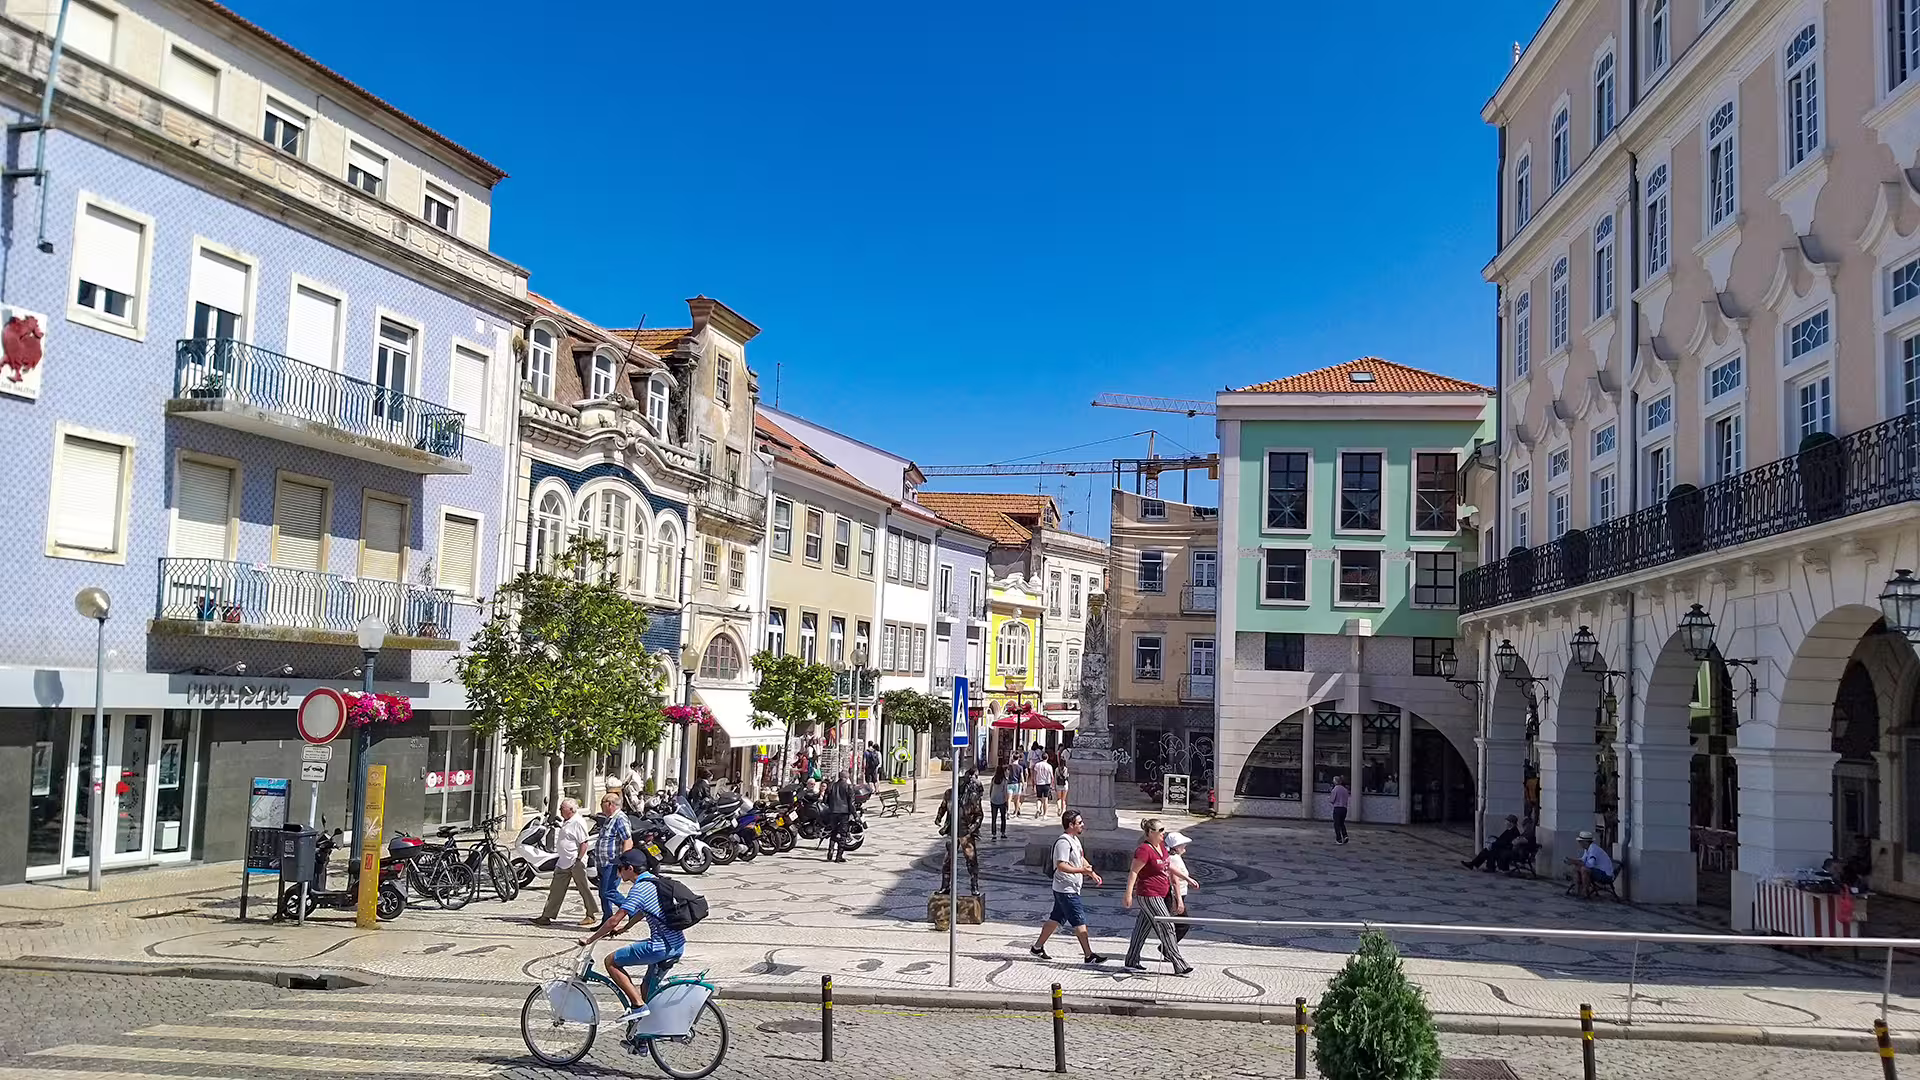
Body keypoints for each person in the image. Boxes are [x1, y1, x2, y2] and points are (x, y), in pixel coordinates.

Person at [576, 848, 685, 1023]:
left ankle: (637, 1006)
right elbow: (642, 912)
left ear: (630, 869)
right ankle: (642, 1038)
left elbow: (613, 920)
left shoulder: (640, 889)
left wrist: (589, 940)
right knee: (646, 990)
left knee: (610, 961)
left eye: (620, 868)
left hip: (659, 947)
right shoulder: (655, 882)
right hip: (677, 944)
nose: (617, 872)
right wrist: (626, 927)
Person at [1030, 810, 1106, 964]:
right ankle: (1089, 955)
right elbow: (1061, 865)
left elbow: (1080, 858)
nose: (1083, 825)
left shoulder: (1074, 840)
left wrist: (1091, 872)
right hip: (1066, 889)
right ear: (1070, 825)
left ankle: (1037, 947)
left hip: (1068, 888)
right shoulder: (1063, 842)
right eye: (1079, 822)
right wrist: (1082, 871)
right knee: (1079, 922)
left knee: (1055, 918)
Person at [1122, 818, 1191, 975]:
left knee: (1142, 928)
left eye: (1163, 830)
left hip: (1162, 892)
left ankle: (1131, 960)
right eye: (1160, 830)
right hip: (1149, 894)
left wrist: (1186, 879)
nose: (1163, 833)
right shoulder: (1143, 850)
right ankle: (1179, 963)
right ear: (1151, 832)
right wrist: (1128, 893)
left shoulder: (1161, 847)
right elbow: (1134, 872)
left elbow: (1168, 866)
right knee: (1167, 926)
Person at [534, 798, 599, 927]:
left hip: (575, 861)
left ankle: (591, 914)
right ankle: (546, 915)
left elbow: (584, 843)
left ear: (571, 810)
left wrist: (579, 860)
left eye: (562, 809)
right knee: (556, 889)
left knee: (583, 888)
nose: (560, 811)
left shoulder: (577, 822)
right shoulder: (567, 821)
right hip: (563, 861)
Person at [594, 792, 634, 920]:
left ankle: (633, 910)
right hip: (603, 862)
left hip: (612, 863)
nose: (601, 806)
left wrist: (623, 863)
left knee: (608, 892)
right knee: (603, 893)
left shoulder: (620, 818)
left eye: (602, 803)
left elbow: (627, 840)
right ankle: (606, 921)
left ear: (610, 804)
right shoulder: (609, 818)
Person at [1165, 831, 1200, 943]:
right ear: (1176, 846)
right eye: (1182, 844)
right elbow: (1174, 881)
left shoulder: (1175, 857)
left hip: (1178, 894)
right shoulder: (1173, 859)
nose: (1185, 846)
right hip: (1175, 895)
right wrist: (1179, 901)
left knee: (1176, 924)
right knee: (1182, 925)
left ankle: (1168, 949)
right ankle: (1167, 949)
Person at [1568, 829, 1615, 897]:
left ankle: (1585, 891)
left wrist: (1575, 862)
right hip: (1599, 872)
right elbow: (1583, 860)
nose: (1579, 843)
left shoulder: (1593, 849)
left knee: (1584, 869)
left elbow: (1590, 865)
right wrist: (1574, 861)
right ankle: (1577, 889)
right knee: (1577, 868)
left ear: (1586, 842)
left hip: (1605, 875)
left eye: (1580, 841)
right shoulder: (1587, 849)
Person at [823, 768, 856, 862]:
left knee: (833, 831)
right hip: (844, 813)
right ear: (847, 777)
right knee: (843, 834)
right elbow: (851, 803)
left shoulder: (832, 786)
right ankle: (839, 855)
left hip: (833, 812)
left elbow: (826, 799)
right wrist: (855, 815)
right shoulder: (849, 787)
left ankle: (830, 850)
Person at [1031, 754, 1056, 818]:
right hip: (1046, 783)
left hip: (1039, 783)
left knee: (1039, 798)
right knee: (1045, 799)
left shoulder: (1037, 765)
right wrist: (1052, 784)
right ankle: (1045, 814)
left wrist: (1033, 783)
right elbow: (1052, 776)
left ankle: (1038, 809)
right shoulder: (1049, 766)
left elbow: (1035, 775)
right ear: (1047, 758)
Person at [988, 765, 1010, 840]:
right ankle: (1003, 833)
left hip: (993, 799)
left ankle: (994, 834)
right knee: (1003, 818)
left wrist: (990, 798)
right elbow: (1005, 792)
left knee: (994, 818)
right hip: (1001, 800)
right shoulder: (1004, 780)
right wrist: (1006, 801)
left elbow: (990, 789)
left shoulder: (993, 779)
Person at [1329, 776, 1351, 845]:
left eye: (1333, 780)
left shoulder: (1335, 789)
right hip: (1344, 808)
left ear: (1335, 781)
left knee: (1336, 824)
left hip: (1337, 808)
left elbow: (1332, 800)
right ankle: (1345, 836)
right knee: (1342, 823)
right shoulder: (1345, 789)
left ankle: (1339, 839)